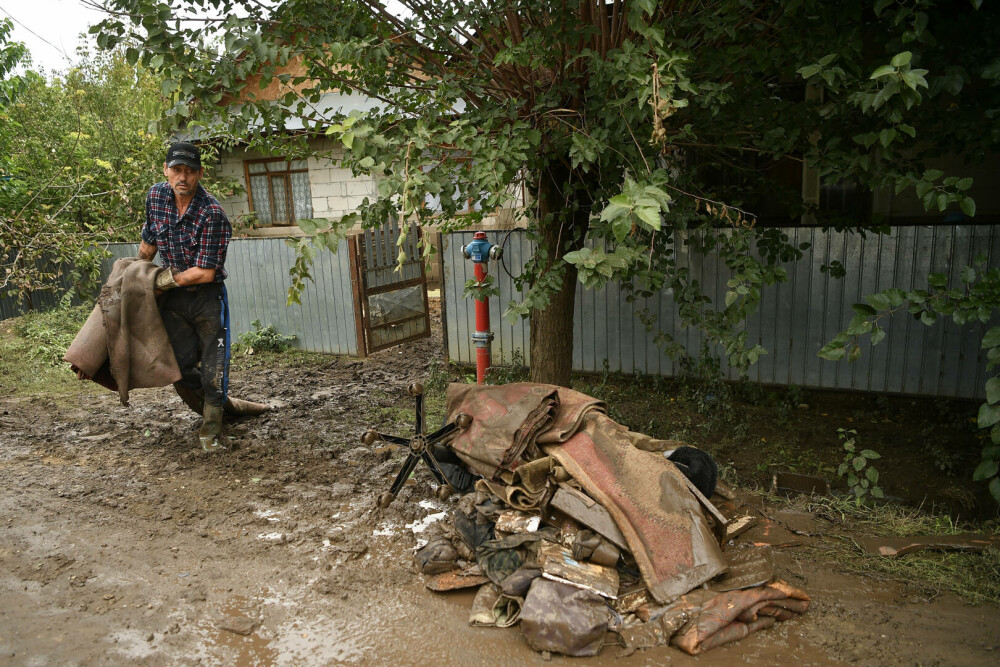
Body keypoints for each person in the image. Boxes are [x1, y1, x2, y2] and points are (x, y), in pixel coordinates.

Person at [139, 141, 233, 451]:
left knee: (213, 368)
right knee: (176, 365)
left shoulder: (212, 213)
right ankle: (213, 411)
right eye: (177, 170)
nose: (183, 177)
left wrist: (163, 281)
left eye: (190, 172)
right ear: (165, 170)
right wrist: (139, 276)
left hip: (207, 298)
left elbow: (205, 272)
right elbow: (150, 242)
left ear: (200, 174)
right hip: (175, 302)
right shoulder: (156, 197)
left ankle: (212, 432)